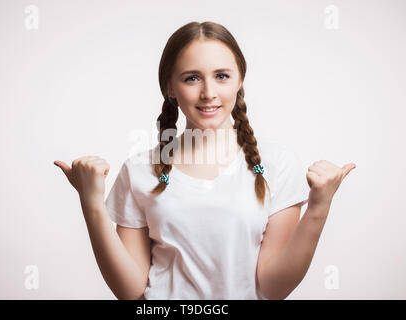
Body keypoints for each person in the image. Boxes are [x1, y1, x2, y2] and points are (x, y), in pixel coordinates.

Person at [54, 21, 356, 300]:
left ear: (239, 80)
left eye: (222, 76)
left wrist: (319, 206)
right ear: (170, 87)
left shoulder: (277, 164)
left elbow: (273, 287)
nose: (208, 93)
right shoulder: (139, 171)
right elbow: (129, 290)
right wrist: (91, 202)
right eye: (192, 78)